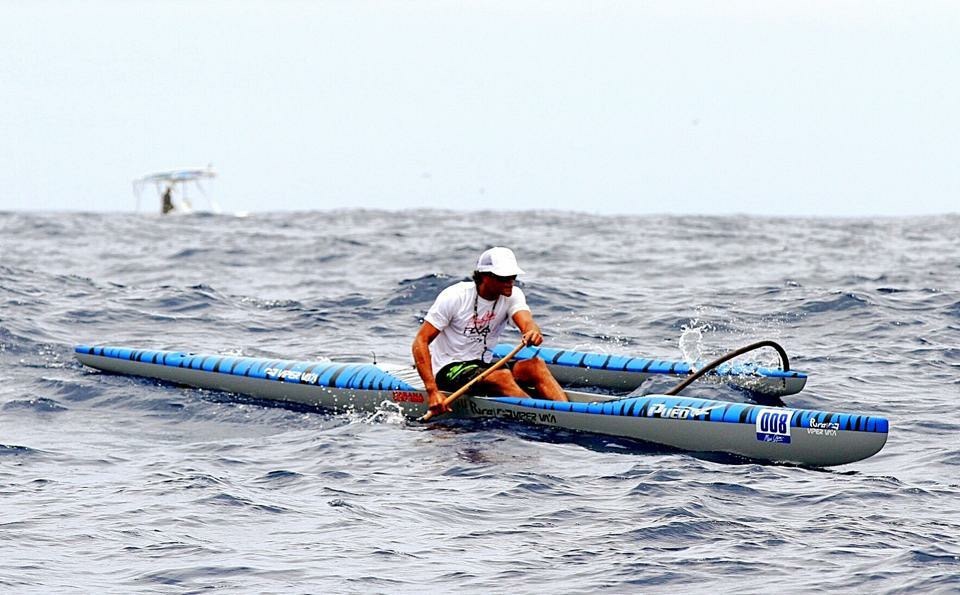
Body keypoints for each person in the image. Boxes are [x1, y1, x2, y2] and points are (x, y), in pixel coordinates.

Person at [412, 247, 569, 416]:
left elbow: (527, 322)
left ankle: (567, 413)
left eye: (513, 276)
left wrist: (532, 332)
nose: (510, 282)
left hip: (483, 366)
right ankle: (543, 416)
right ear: (485, 276)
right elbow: (420, 341)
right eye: (504, 278)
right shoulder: (455, 296)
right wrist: (432, 391)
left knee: (535, 366)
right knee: (502, 376)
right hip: (449, 369)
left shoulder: (513, 295)